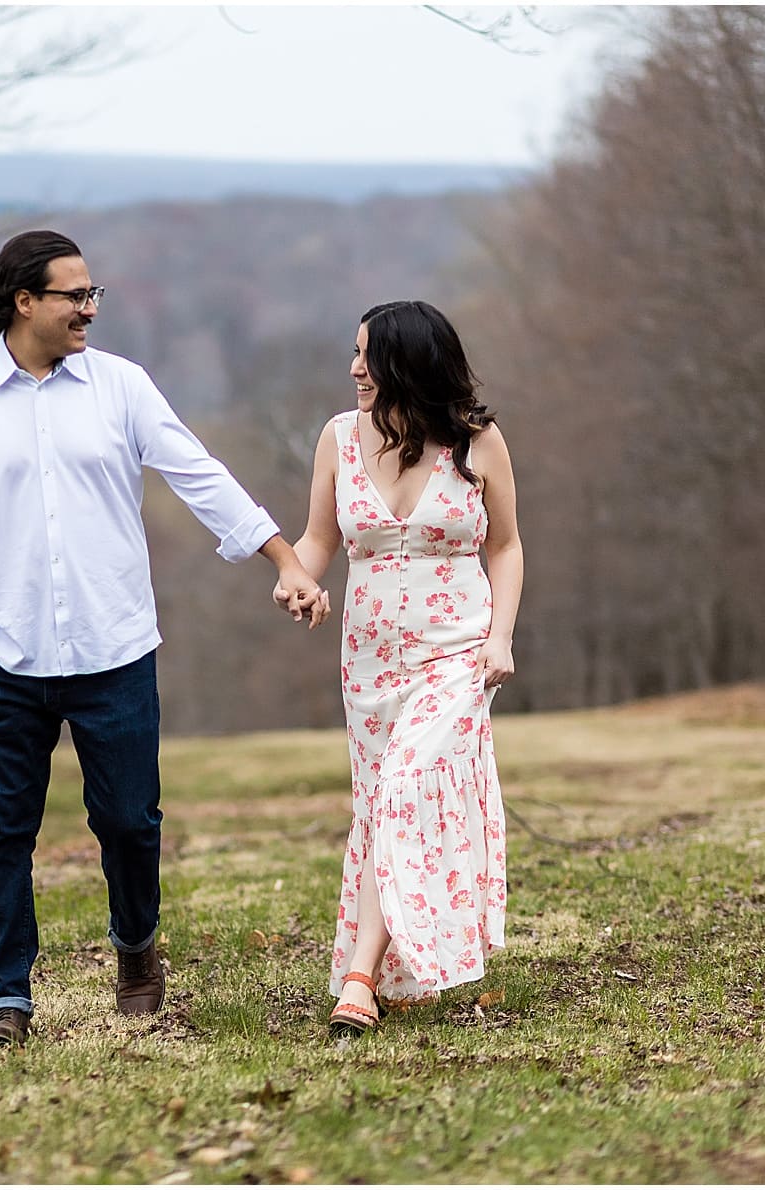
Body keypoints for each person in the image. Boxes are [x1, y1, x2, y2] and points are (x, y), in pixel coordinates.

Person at [0, 230, 329, 1048]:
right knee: (3, 827)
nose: (90, 308)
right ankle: (7, 994)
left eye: (93, 293)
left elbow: (197, 473)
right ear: (24, 300)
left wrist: (281, 555)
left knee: (130, 821)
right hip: (7, 652)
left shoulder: (121, 386)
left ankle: (136, 949)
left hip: (115, 648)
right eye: (75, 295)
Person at [277, 299, 522, 1036]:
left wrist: (500, 637)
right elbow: (319, 539)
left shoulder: (477, 445)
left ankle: (357, 978)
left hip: (456, 650)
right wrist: (299, 577)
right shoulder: (337, 439)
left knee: (407, 789)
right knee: (381, 802)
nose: (354, 368)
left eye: (368, 356)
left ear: (408, 366)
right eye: (354, 353)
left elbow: (506, 547)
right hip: (369, 659)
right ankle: (392, 966)